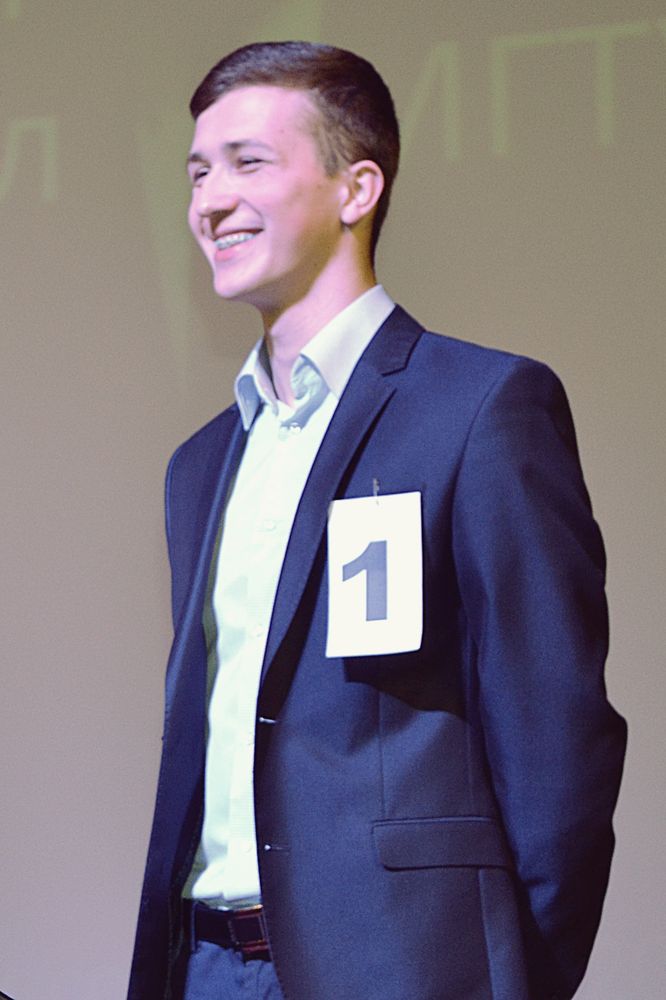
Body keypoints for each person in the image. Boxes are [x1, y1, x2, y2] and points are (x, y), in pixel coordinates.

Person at [127, 41, 626, 1000]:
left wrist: (517, 978)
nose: (211, 201)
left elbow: (557, 735)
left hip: (406, 970)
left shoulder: (478, 408)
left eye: (247, 163)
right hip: (205, 966)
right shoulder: (200, 464)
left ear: (357, 189)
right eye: (197, 173)